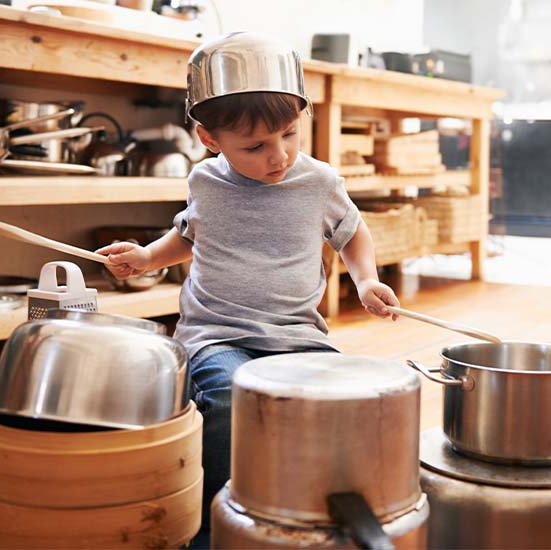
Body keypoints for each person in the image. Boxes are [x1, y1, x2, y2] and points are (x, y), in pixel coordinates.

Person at [96, 31, 400, 544]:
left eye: (289, 134)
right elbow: (187, 235)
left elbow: (352, 233)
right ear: (210, 140)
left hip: (299, 335)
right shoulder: (204, 183)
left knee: (335, 406)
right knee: (231, 403)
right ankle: (213, 530)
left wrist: (366, 279)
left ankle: (300, 510)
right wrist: (148, 256)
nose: (278, 155)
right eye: (255, 146)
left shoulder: (319, 182)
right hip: (219, 335)